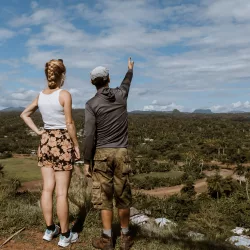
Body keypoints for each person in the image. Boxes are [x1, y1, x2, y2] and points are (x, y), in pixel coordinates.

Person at [20, 59, 80, 248]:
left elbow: (24, 114)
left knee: (47, 189)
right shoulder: (65, 95)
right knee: (61, 193)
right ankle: (65, 235)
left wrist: (39, 132)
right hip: (62, 141)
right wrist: (76, 145)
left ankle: (49, 229)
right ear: (63, 75)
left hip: (45, 141)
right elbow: (69, 124)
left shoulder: (40, 95)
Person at [83, 58, 134, 250]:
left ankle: (107, 240)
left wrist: (87, 160)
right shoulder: (121, 95)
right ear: (109, 79)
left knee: (105, 197)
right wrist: (130, 69)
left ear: (92, 82)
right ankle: (126, 237)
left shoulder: (91, 104)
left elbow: (89, 135)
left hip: (102, 153)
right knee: (123, 195)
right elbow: (127, 82)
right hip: (122, 152)